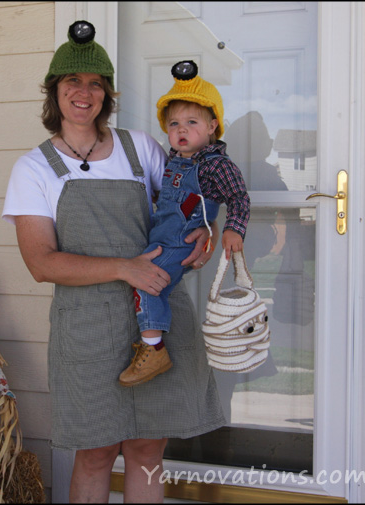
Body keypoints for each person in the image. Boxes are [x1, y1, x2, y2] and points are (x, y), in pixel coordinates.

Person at [2, 21, 225, 503]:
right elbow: (41, 262)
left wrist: (203, 230)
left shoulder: (140, 148)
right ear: (54, 93)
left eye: (95, 84)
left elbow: (183, 205)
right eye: (73, 83)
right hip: (87, 330)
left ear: (106, 93)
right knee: (97, 453)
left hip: (156, 321)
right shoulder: (34, 168)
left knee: (147, 449)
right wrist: (126, 268)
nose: (85, 93)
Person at [119, 60, 250, 387]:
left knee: (147, 282)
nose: (180, 129)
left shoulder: (215, 165)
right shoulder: (174, 160)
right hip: (162, 237)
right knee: (150, 285)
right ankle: (153, 341)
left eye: (192, 122)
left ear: (212, 127)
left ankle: (154, 349)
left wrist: (232, 228)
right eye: (174, 122)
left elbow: (239, 198)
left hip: (179, 243)